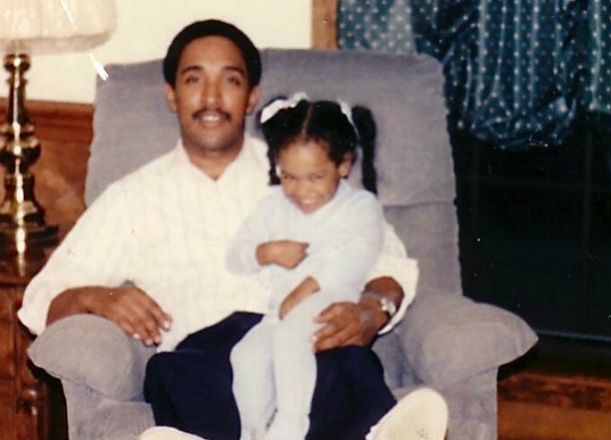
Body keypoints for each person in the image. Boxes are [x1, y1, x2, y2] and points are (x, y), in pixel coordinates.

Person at [15, 18, 440, 440]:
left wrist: (371, 309)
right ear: (171, 95)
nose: (212, 98)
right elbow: (39, 299)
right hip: (204, 357)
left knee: (344, 363)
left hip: (299, 338)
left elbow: (387, 261)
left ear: (251, 97)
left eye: (231, 81)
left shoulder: (299, 173)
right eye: (194, 79)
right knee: (173, 373)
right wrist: (96, 297)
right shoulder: (131, 197)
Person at [226, 93, 393, 440]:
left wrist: (307, 288)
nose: (301, 190)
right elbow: (235, 256)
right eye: (289, 177)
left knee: (290, 338)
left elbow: (355, 256)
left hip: (332, 299)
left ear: (343, 165)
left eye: (315, 177)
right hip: (281, 311)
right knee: (246, 355)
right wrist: (266, 252)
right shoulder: (273, 206)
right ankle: (253, 432)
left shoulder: (359, 206)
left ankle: (291, 425)